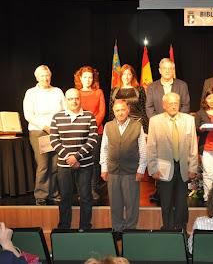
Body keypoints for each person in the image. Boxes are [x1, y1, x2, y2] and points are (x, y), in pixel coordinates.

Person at [147, 92, 198, 230]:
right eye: (170, 103)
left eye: (176, 103)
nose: (173, 106)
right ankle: (168, 231)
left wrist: (193, 168)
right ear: (164, 105)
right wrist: (152, 169)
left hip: (183, 168)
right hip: (163, 169)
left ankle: (180, 230)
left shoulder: (189, 120)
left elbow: (193, 145)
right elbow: (151, 146)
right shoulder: (155, 121)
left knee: (182, 203)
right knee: (166, 202)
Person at [50, 88, 98, 230]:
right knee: (65, 197)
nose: (74, 101)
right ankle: (64, 227)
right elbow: (53, 140)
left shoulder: (89, 116)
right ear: (66, 100)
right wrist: (68, 158)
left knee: (85, 197)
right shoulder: (57, 117)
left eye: (76, 98)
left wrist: (76, 157)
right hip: (64, 165)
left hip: (85, 164)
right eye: (70, 99)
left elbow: (93, 139)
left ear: (80, 99)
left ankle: (85, 227)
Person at [145, 58, 190, 204]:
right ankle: (161, 192)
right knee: (161, 160)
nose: (167, 71)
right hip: (159, 129)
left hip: (179, 127)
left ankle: (176, 192)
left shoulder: (182, 85)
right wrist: (161, 123)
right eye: (164, 68)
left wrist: (177, 120)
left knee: (177, 162)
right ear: (159, 70)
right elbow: (149, 107)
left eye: (170, 68)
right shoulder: (152, 87)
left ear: (173, 69)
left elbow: (185, 105)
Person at [100, 99, 147, 239]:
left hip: (131, 172)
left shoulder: (137, 126)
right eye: (117, 110)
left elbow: (143, 150)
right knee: (115, 203)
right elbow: (104, 149)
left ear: (128, 110)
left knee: (131, 203)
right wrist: (104, 167)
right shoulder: (108, 126)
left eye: (122, 109)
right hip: (113, 171)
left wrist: (141, 169)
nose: (120, 112)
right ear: (114, 112)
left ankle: (130, 230)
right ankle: (117, 229)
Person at [23, 65, 65, 205]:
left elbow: (64, 111)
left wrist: (58, 128)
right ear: (37, 77)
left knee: (55, 164)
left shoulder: (57, 91)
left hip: (56, 131)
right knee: (43, 164)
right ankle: (41, 195)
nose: (45, 78)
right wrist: (46, 127)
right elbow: (28, 115)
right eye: (42, 76)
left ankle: (53, 193)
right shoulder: (31, 93)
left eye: (47, 75)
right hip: (39, 131)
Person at [74, 65, 105, 200]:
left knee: (94, 161)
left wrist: (91, 127)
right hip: (79, 132)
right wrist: (83, 128)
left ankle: (93, 189)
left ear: (93, 79)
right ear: (80, 78)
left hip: (96, 132)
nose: (88, 79)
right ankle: (82, 191)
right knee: (80, 161)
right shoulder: (76, 93)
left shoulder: (99, 92)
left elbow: (102, 112)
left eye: (90, 77)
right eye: (85, 77)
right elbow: (73, 111)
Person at [109, 64, 149, 133]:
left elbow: (144, 110)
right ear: (121, 76)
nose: (126, 77)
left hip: (137, 124)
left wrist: (145, 130)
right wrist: (111, 128)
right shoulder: (114, 90)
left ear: (132, 76)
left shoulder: (139, 89)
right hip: (119, 126)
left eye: (129, 74)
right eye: (124, 74)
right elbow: (111, 111)